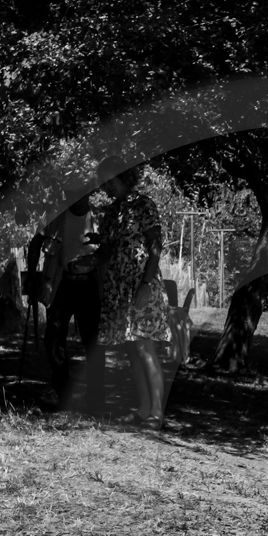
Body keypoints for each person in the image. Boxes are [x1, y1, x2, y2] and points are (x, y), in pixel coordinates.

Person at [93, 158, 170, 427]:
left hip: (143, 286)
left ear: (124, 177)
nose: (106, 187)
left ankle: (157, 413)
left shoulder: (143, 205)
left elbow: (156, 246)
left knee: (145, 348)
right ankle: (143, 408)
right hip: (120, 289)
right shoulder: (113, 213)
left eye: (110, 181)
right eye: (103, 183)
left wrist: (146, 286)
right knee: (132, 350)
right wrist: (87, 261)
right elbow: (106, 251)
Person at [26, 190, 101, 409]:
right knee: (53, 337)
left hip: (89, 284)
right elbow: (35, 244)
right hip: (61, 283)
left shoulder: (99, 217)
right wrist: (32, 277)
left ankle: (95, 396)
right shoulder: (53, 215)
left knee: (93, 341)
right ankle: (62, 391)